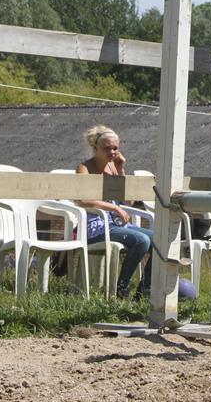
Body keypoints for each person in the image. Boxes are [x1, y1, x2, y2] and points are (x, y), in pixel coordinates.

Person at [76, 125, 197, 300]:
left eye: (115, 148)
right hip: (96, 226)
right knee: (142, 240)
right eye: (107, 148)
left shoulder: (113, 167)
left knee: (159, 238)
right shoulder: (84, 168)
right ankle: (121, 288)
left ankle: (144, 290)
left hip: (116, 225)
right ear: (96, 149)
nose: (112, 152)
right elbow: (82, 200)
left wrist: (121, 170)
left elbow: (128, 202)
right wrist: (115, 208)